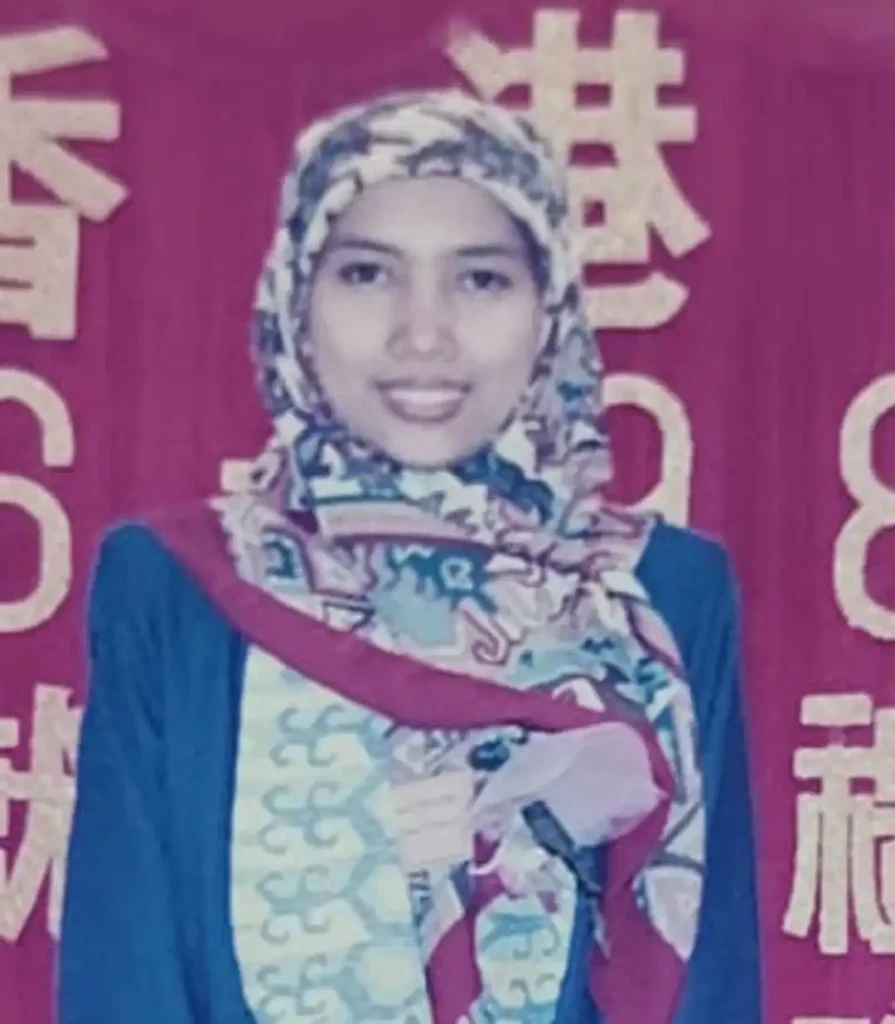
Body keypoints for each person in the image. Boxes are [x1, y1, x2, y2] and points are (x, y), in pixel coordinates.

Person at [58, 91, 761, 1024]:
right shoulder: (178, 587)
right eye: (365, 273)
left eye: (478, 280)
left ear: (547, 304)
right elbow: (124, 976)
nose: (421, 335)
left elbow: (706, 982)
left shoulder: (658, 597)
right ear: (295, 297)